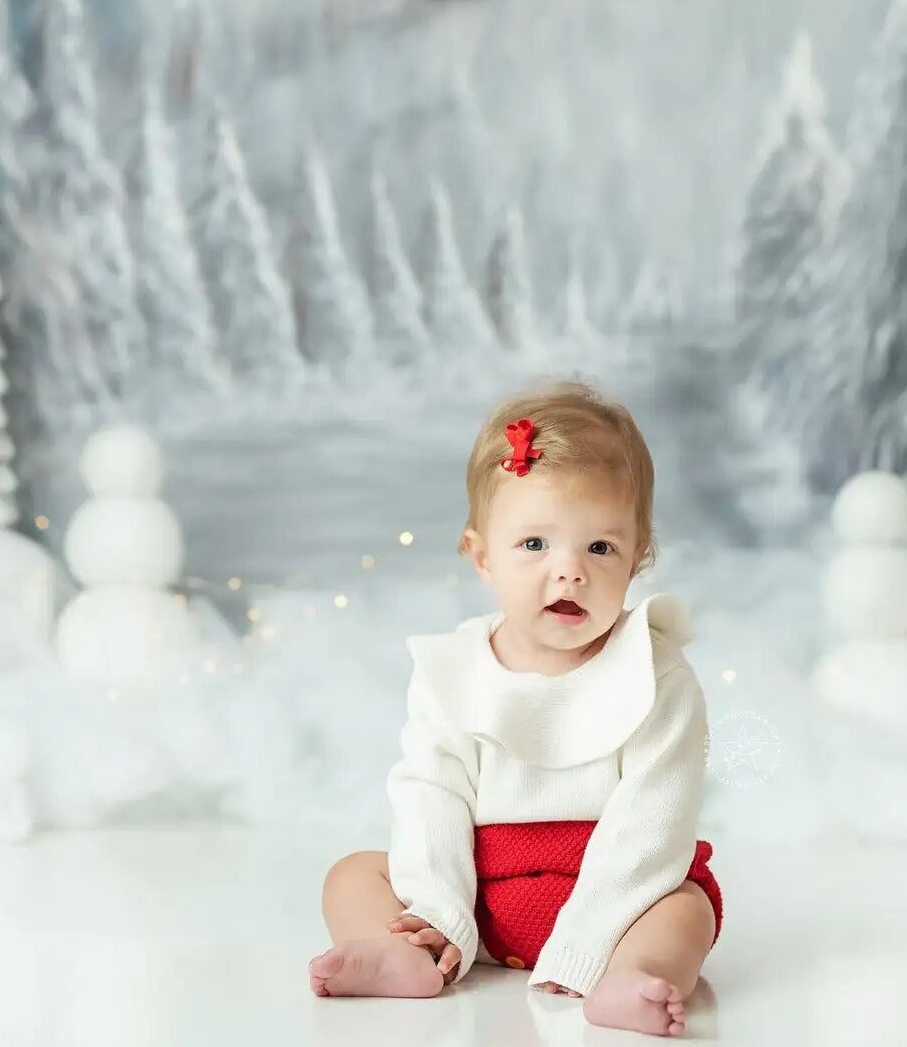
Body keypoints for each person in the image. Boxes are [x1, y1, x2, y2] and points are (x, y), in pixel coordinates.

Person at [309, 379, 720, 1037]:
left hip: (611, 892)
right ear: (482, 555)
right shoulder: (452, 671)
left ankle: (628, 974)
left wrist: (587, 942)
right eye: (535, 544)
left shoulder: (655, 672)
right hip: (479, 886)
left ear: (638, 556)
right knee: (352, 875)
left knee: (687, 906)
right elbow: (431, 795)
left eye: (600, 547)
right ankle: (402, 954)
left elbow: (654, 821)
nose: (569, 571)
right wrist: (442, 912)